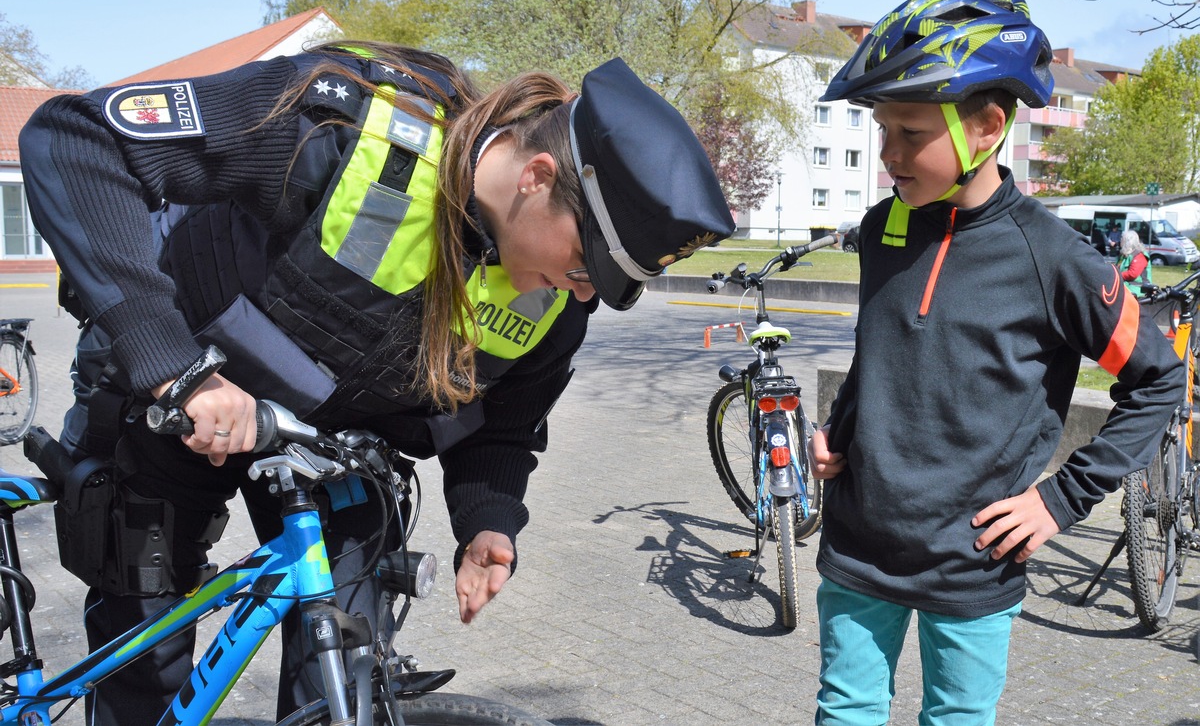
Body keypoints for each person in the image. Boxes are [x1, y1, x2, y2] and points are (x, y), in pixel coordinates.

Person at [18, 42, 734, 725]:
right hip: (174, 387)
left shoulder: (551, 301)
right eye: (586, 264)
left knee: (345, 664)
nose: (582, 296)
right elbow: (78, 140)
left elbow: (506, 421)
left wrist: (487, 519)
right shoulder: (339, 123)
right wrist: (177, 371)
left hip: (326, 446)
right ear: (538, 177)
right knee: (145, 636)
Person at [810, 0, 1183, 724]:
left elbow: (1160, 379)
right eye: (881, 129)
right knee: (845, 710)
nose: (886, 154)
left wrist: (1060, 499)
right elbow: (881, 351)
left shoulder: (1052, 256)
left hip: (971, 563)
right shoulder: (883, 227)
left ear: (986, 126)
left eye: (908, 133)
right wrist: (842, 431)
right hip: (857, 546)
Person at [1118, 228, 1154, 296]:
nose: (1120, 241)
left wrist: (1117, 275)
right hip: (1125, 285)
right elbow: (1118, 267)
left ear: (1128, 242)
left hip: (1138, 288)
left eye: (1122, 239)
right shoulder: (1125, 255)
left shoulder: (1139, 255)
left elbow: (1133, 274)